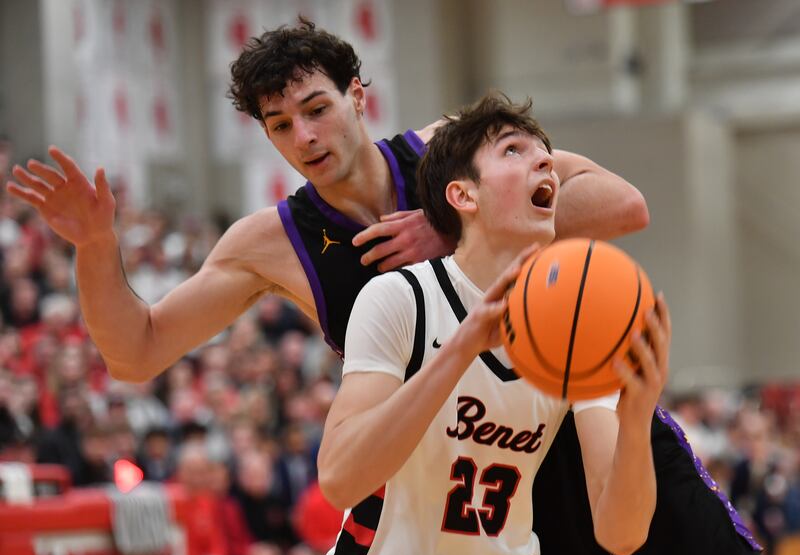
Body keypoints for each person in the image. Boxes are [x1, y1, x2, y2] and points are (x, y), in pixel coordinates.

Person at [5, 18, 646, 372]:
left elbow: (622, 204)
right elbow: (138, 350)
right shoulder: (267, 243)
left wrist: (456, 228)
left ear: (358, 97)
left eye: (317, 108)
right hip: (423, 465)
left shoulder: (451, 151)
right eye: (281, 125)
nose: (305, 135)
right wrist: (95, 247)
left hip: (539, 408)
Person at [315, 93, 670, 555]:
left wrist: (634, 421)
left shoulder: (576, 329)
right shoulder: (402, 297)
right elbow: (339, 479)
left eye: (543, 152)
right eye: (512, 151)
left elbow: (622, 536)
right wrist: (461, 349)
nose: (545, 159)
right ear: (463, 196)